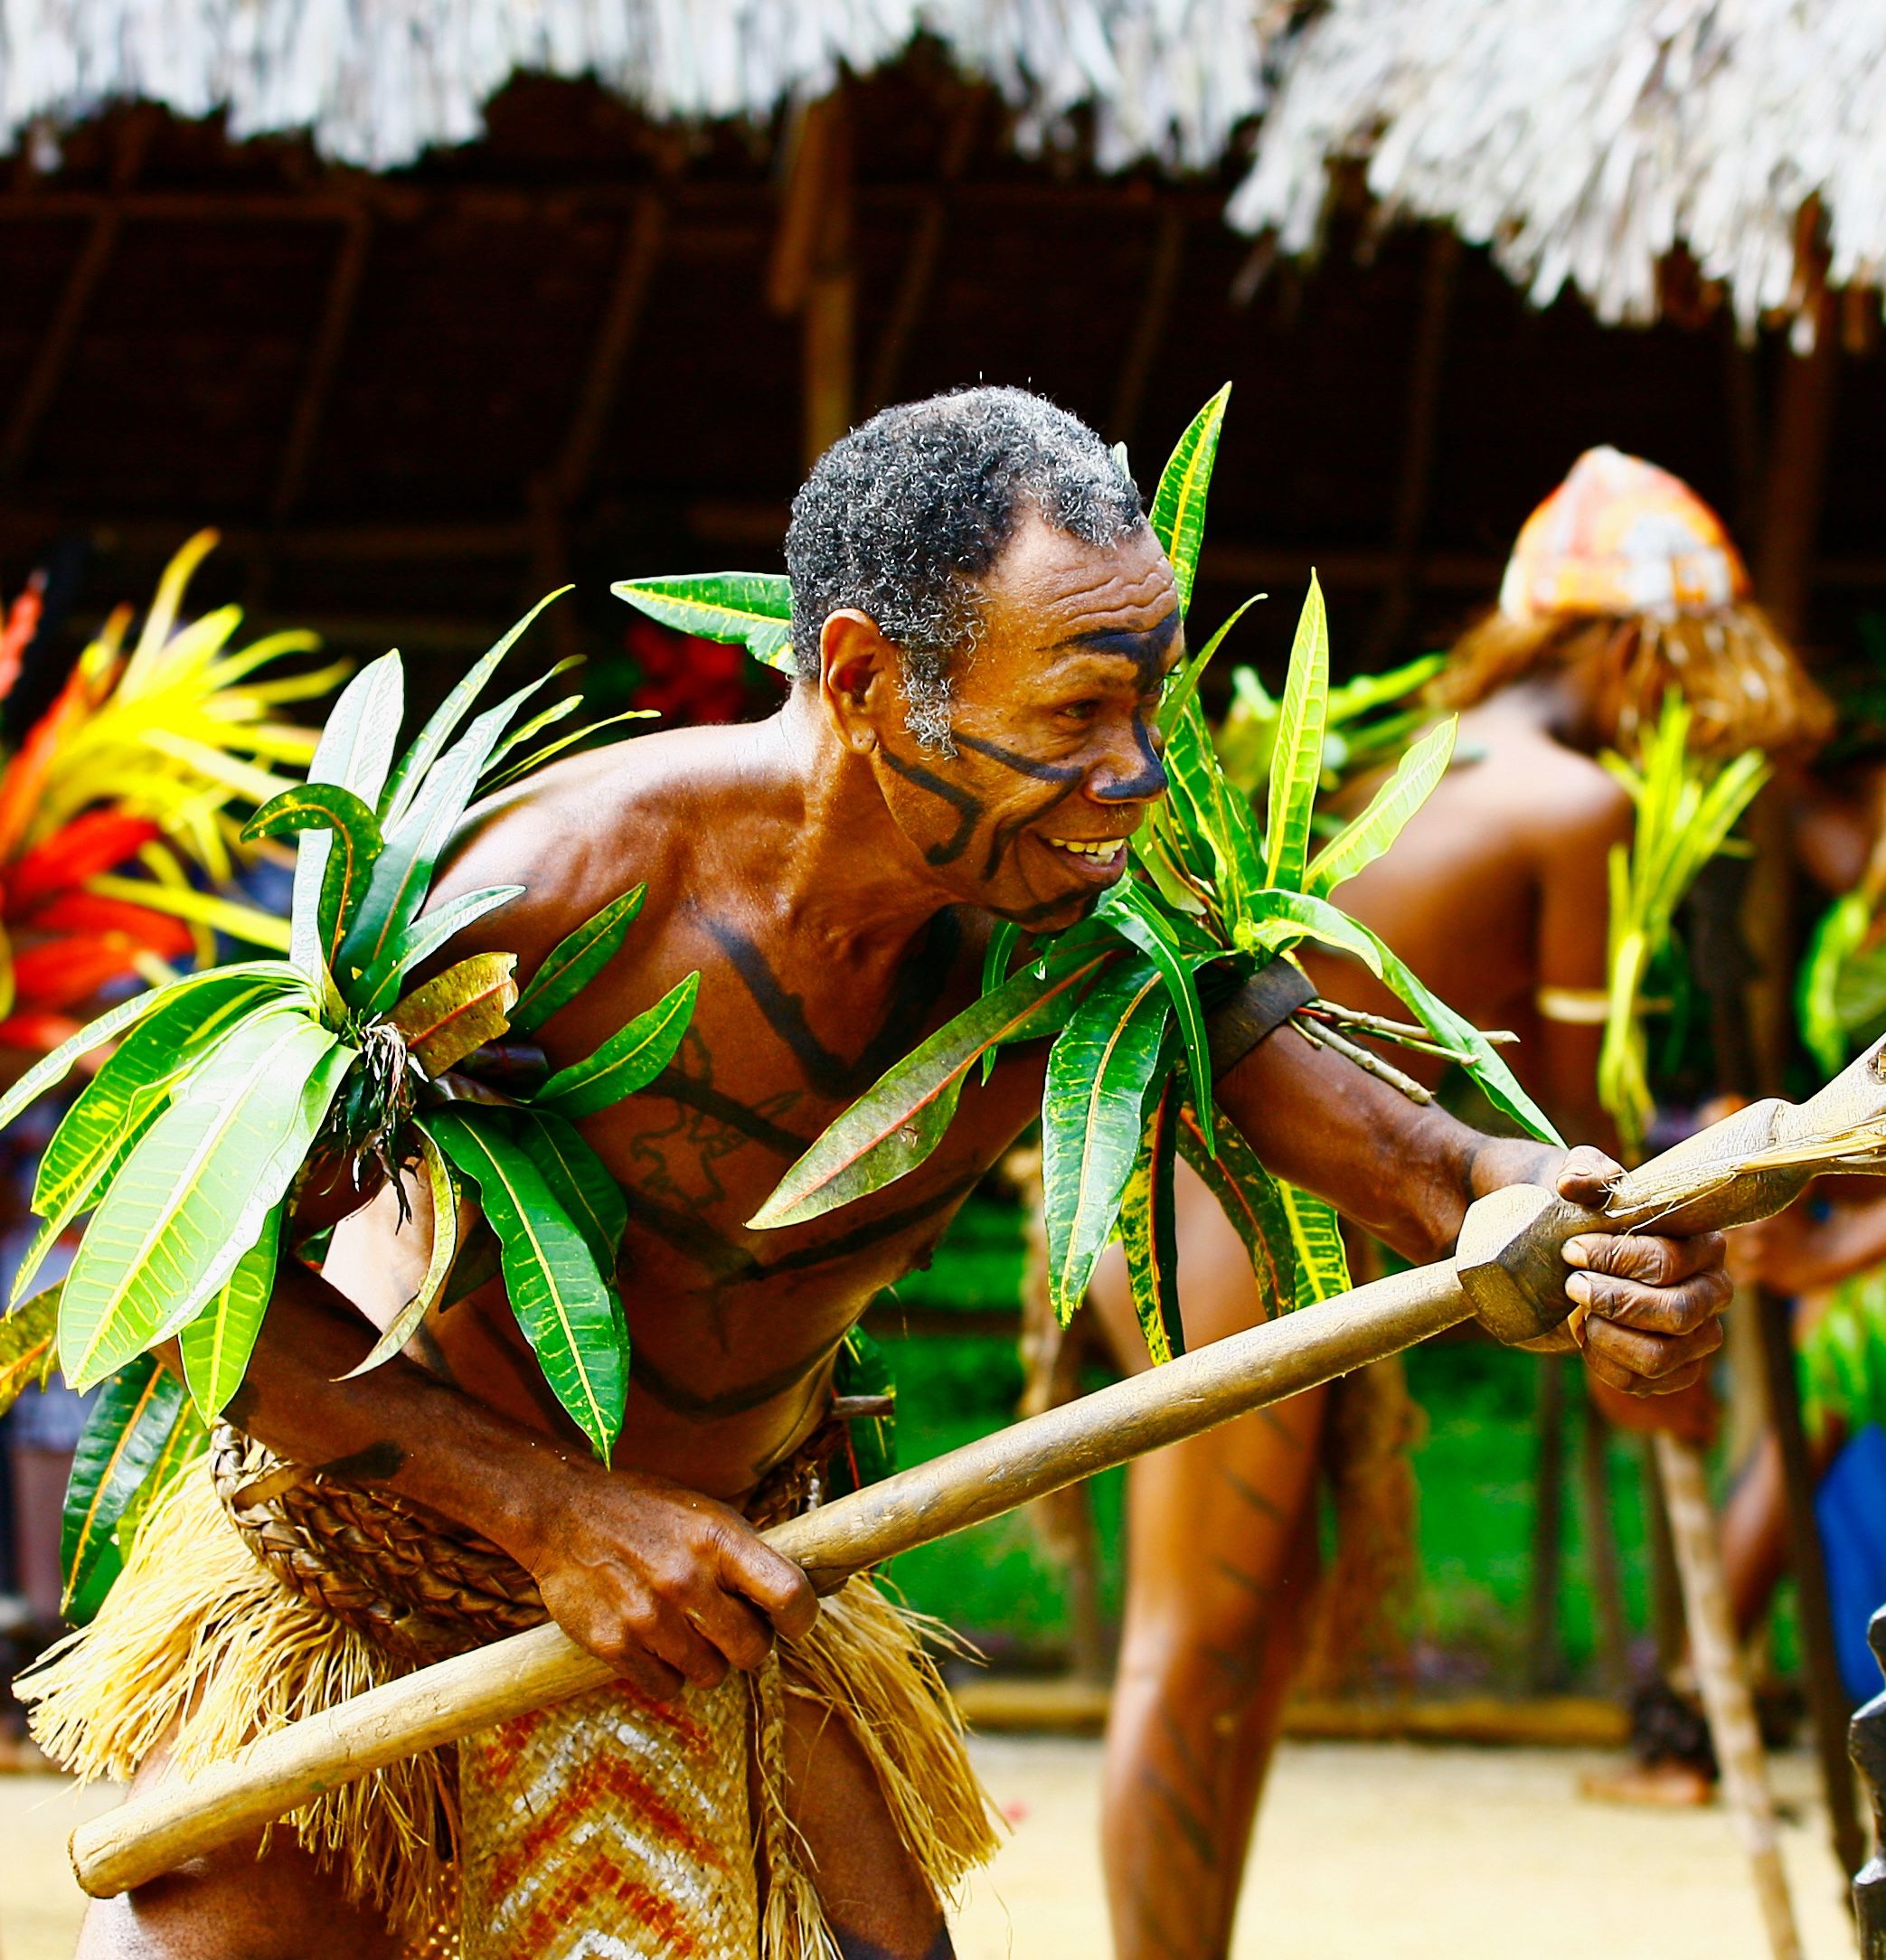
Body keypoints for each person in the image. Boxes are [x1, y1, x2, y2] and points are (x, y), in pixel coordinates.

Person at [28, 396, 1732, 1960]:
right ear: (858, 678)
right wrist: (557, 1517)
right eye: (1072, 712)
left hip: (732, 1606)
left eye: (1144, 705)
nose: (1133, 777)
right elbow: (155, 1261)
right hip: (381, 1587)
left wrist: (1574, 1240)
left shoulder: (1070, 941)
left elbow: (1436, 1173)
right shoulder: (550, 898)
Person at [1086, 445, 1829, 1959]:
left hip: (1215, 1201)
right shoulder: (1575, 804)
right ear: (1627, 652)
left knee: (1249, 1638)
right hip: (1236, 1208)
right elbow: (1572, 1130)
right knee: (1194, 1646)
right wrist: (1647, 1328)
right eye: (1684, 689)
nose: (1684, 732)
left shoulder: (1440, 757)